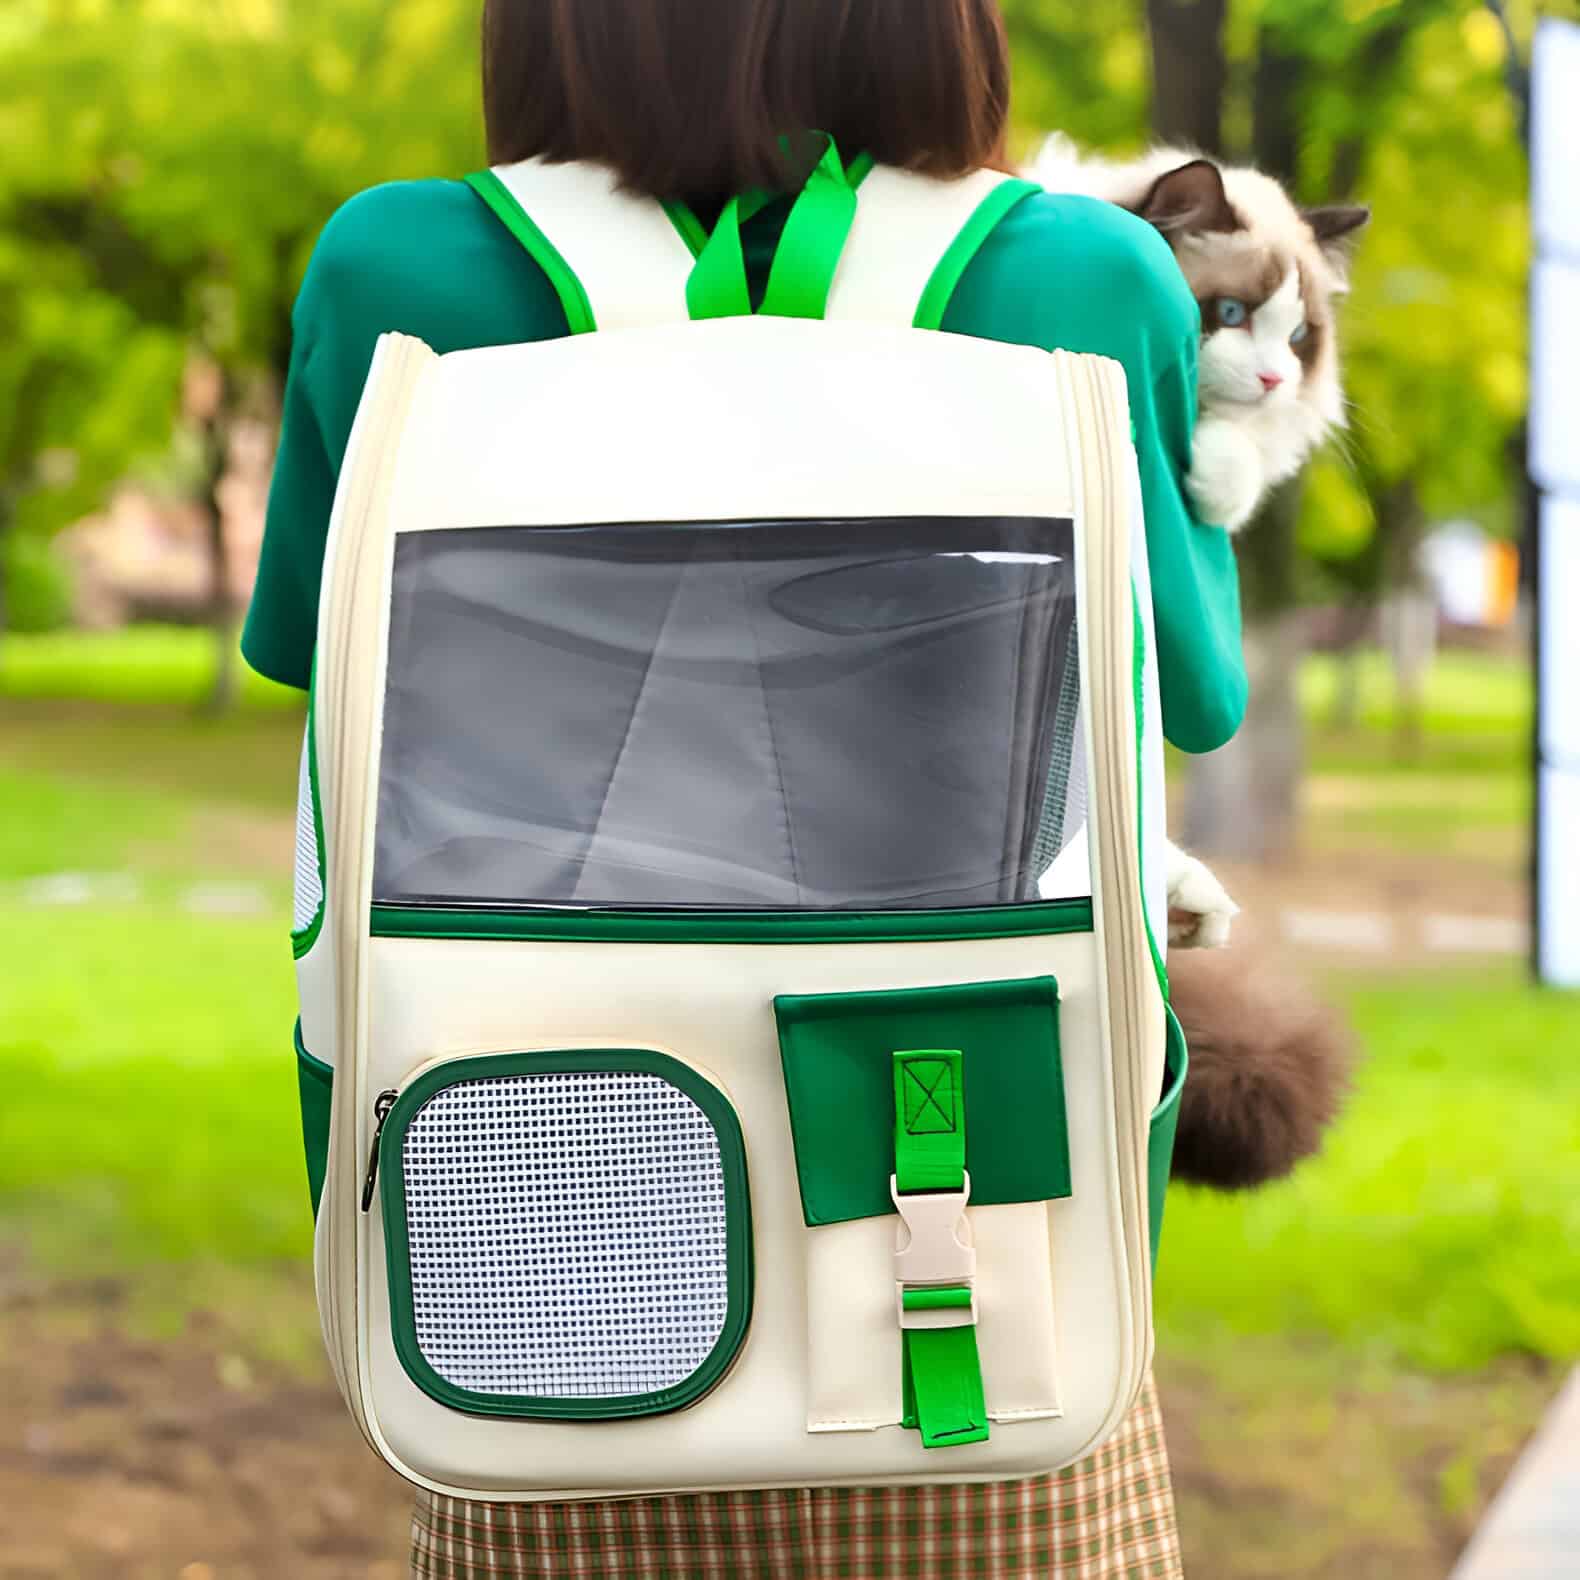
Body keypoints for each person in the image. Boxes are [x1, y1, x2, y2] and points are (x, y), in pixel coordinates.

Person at [242, 1, 1248, 1574]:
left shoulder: (401, 270)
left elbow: (311, 644)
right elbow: (1199, 692)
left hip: (545, 1242)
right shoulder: (1080, 277)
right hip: (975, 1258)